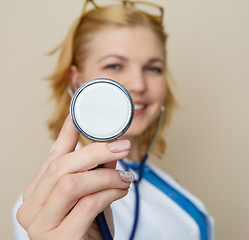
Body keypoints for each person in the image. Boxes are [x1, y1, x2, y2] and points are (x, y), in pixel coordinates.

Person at [12, 0, 214, 239]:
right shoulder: (48, 205)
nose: (138, 85)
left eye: (154, 68)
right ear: (77, 81)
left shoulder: (158, 184)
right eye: (115, 65)